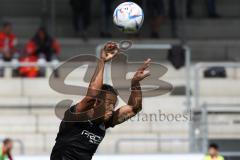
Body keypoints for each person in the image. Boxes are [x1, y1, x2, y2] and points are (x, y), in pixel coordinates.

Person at [50, 42, 151, 160]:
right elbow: (92, 95)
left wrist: (135, 83)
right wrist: (102, 61)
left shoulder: (104, 122)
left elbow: (134, 108)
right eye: (108, 104)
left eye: (114, 105)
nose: (112, 108)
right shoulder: (77, 115)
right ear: (97, 103)